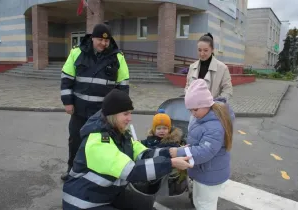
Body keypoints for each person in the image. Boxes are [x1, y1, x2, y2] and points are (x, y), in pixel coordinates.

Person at [62, 89, 193, 210]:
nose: (130, 118)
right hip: (84, 202)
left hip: (106, 194)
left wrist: (172, 152)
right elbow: (131, 171)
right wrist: (171, 164)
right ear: (113, 114)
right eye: (125, 114)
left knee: (146, 205)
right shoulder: (98, 141)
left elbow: (144, 153)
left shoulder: (119, 133)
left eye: (130, 113)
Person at [60, 23, 130, 180]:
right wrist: (67, 102)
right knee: (76, 141)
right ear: (92, 38)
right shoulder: (77, 52)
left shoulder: (117, 57)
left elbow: (123, 86)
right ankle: (73, 171)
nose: (104, 44)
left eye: (107, 41)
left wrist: (122, 110)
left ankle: (97, 173)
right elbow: (66, 79)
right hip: (79, 110)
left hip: (102, 113)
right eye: (100, 40)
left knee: (102, 145)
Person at [169, 79, 235, 210]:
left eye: (195, 110)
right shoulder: (203, 116)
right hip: (204, 172)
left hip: (209, 175)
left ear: (206, 104)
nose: (192, 114)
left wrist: (179, 152)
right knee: (199, 201)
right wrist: (187, 148)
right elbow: (198, 142)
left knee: (205, 205)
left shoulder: (214, 126)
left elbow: (204, 152)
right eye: (190, 110)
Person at [184, 33, 233, 101]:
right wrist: (188, 96)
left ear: (212, 49)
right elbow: (187, 87)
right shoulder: (192, 67)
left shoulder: (222, 68)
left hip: (213, 108)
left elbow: (228, 90)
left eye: (205, 50)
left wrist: (217, 103)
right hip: (194, 109)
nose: (202, 53)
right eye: (199, 50)